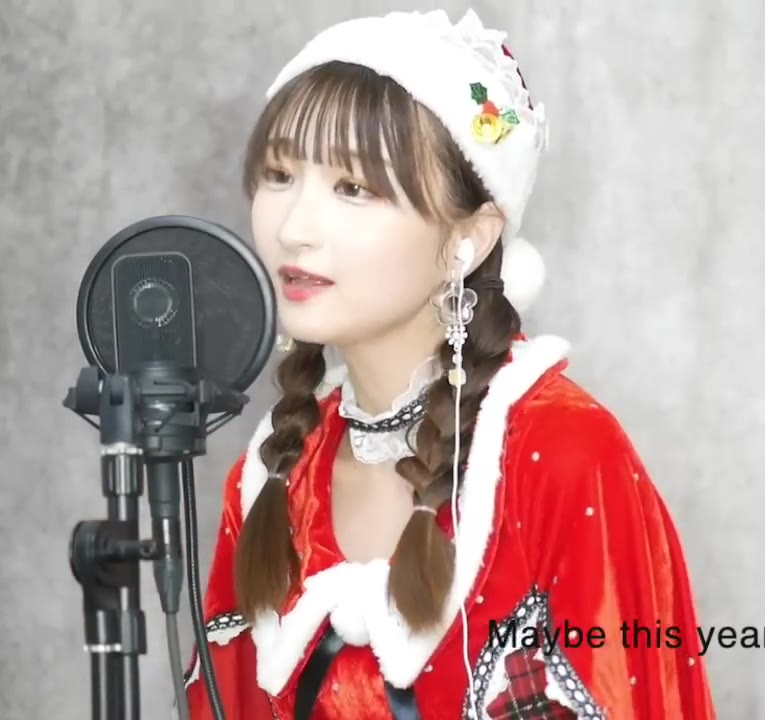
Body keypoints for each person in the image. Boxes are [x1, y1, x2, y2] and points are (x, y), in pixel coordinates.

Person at [182, 8, 716, 719]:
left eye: (353, 188)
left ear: (470, 238)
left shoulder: (563, 455)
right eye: (278, 175)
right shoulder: (272, 480)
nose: (294, 228)